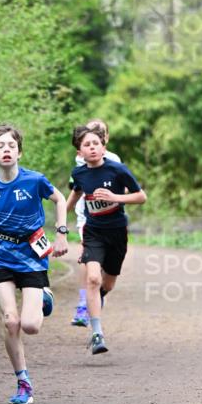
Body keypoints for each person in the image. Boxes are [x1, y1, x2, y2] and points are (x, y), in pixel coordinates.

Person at [0, 123, 68, 404]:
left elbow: (60, 199)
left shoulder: (34, 180)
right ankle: (23, 382)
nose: (6, 150)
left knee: (30, 326)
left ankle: (44, 296)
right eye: (0, 146)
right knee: (10, 321)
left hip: (32, 255)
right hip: (1, 254)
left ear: (19, 152)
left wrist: (61, 232)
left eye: (11, 146)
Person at [66, 124, 147, 355]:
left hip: (117, 232)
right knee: (92, 278)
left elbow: (141, 197)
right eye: (86, 145)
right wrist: (61, 221)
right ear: (79, 152)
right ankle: (97, 333)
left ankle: (95, 302)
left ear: (103, 147)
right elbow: (74, 196)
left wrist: (115, 197)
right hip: (93, 232)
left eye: (95, 144)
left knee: (106, 284)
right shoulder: (79, 173)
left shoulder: (118, 170)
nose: (92, 148)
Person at [70, 118, 121, 327]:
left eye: (100, 133)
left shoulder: (114, 160)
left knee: (107, 278)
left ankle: (97, 295)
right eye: (91, 133)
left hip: (112, 220)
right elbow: (76, 189)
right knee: (87, 257)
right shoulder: (82, 159)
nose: (94, 139)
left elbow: (125, 188)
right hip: (87, 217)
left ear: (106, 139)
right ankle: (84, 302)